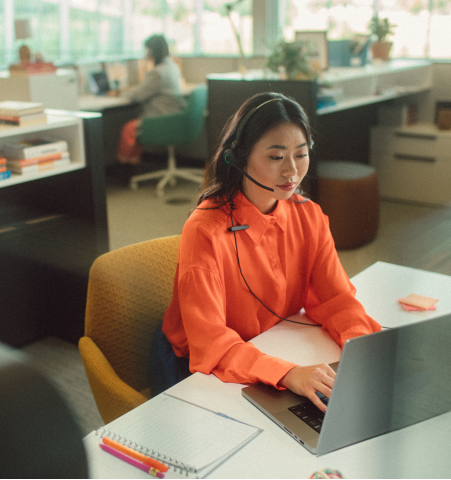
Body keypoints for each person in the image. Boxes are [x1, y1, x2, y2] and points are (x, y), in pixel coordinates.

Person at [150, 92, 381, 412]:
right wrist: (287, 373)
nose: (292, 171)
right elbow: (213, 343)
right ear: (239, 157)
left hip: (270, 339)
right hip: (199, 362)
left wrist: (362, 345)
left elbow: (336, 299)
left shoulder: (308, 215)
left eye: (301, 155)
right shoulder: (204, 230)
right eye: (276, 157)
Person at [111, 34, 186, 165]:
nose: (145, 55)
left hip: (162, 117)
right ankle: (132, 164)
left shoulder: (157, 72)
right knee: (135, 125)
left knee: (129, 129)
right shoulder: (172, 66)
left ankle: (125, 167)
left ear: (152, 51)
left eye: (146, 51)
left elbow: (138, 95)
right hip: (174, 115)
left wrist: (119, 93)